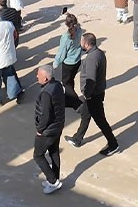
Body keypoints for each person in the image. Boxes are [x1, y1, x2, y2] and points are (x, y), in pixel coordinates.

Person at [66, 32, 120, 156]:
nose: (80, 44)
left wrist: (87, 94)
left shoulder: (91, 58)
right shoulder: (99, 53)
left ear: (86, 44)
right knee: (85, 115)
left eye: (81, 42)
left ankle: (113, 144)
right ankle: (77, 139)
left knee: (100, 120)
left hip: (93, 95)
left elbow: (91, 79)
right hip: (96, 92)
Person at [33, 64, 66, 194]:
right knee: (54, 152)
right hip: (58, 126)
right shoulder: (57, 85)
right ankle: (55, 178)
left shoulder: (46, 93)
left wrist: (40, 130)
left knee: (38, 155)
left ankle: (53, 181)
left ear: (46, 78)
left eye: (39, 75)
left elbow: (45, 115)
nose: (37, 76)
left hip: (48, 130)